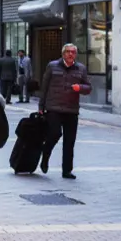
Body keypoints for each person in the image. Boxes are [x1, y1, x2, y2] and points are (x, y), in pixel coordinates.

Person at [38, 43, 92, 180]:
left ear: (76, 54)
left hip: (71, 110)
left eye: (73, 52)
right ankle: (45, 154)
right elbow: (44, 87)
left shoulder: (81, 68)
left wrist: (79, 87)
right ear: (63, 53)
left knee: (70, 141)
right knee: (55, 133)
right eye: (68, 52)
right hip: (53, 107)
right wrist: (41, 106)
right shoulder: (52, 66)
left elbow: (88, 87)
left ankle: (67, 170)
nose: (70, 54)